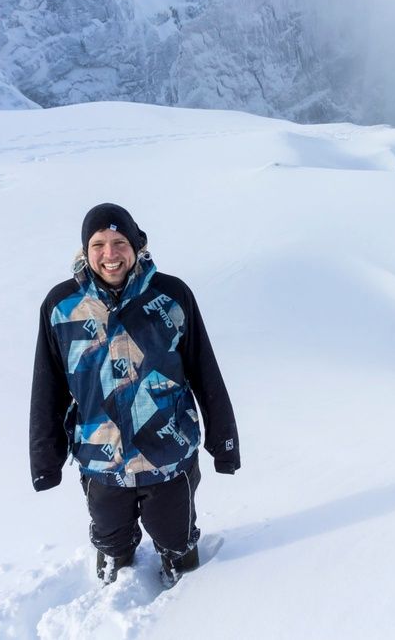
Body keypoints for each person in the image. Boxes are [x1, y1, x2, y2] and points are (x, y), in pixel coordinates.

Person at [29, 203, 240, 586]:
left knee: (178, 542)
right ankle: (116, 566)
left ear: (136, 245)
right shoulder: (61, 306)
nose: (110, 254)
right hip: (101, 461)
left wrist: (224, 442)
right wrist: (46, 459)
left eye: (119, 242)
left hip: (169, 456)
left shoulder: (171, 296)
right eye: (98, 244)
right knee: (111, 544)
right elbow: (48, 387)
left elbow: (204, 370)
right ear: (85, 250)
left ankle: (189, 594)